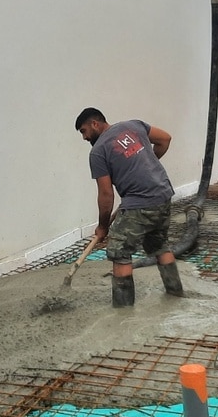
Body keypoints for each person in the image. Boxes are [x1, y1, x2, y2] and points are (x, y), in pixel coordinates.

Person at [74, 108, 185, 306]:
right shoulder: (134, 125)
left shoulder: (98, 151)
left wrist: (103, 226)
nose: (84, 138)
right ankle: (176, 294)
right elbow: (165, 139)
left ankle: (123, 314)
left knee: (119, 251)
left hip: (139, 203)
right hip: (163, 195)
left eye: (83, 131)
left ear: (94, 124)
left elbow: (106, 195)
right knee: (159, 245)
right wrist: (147, 162)